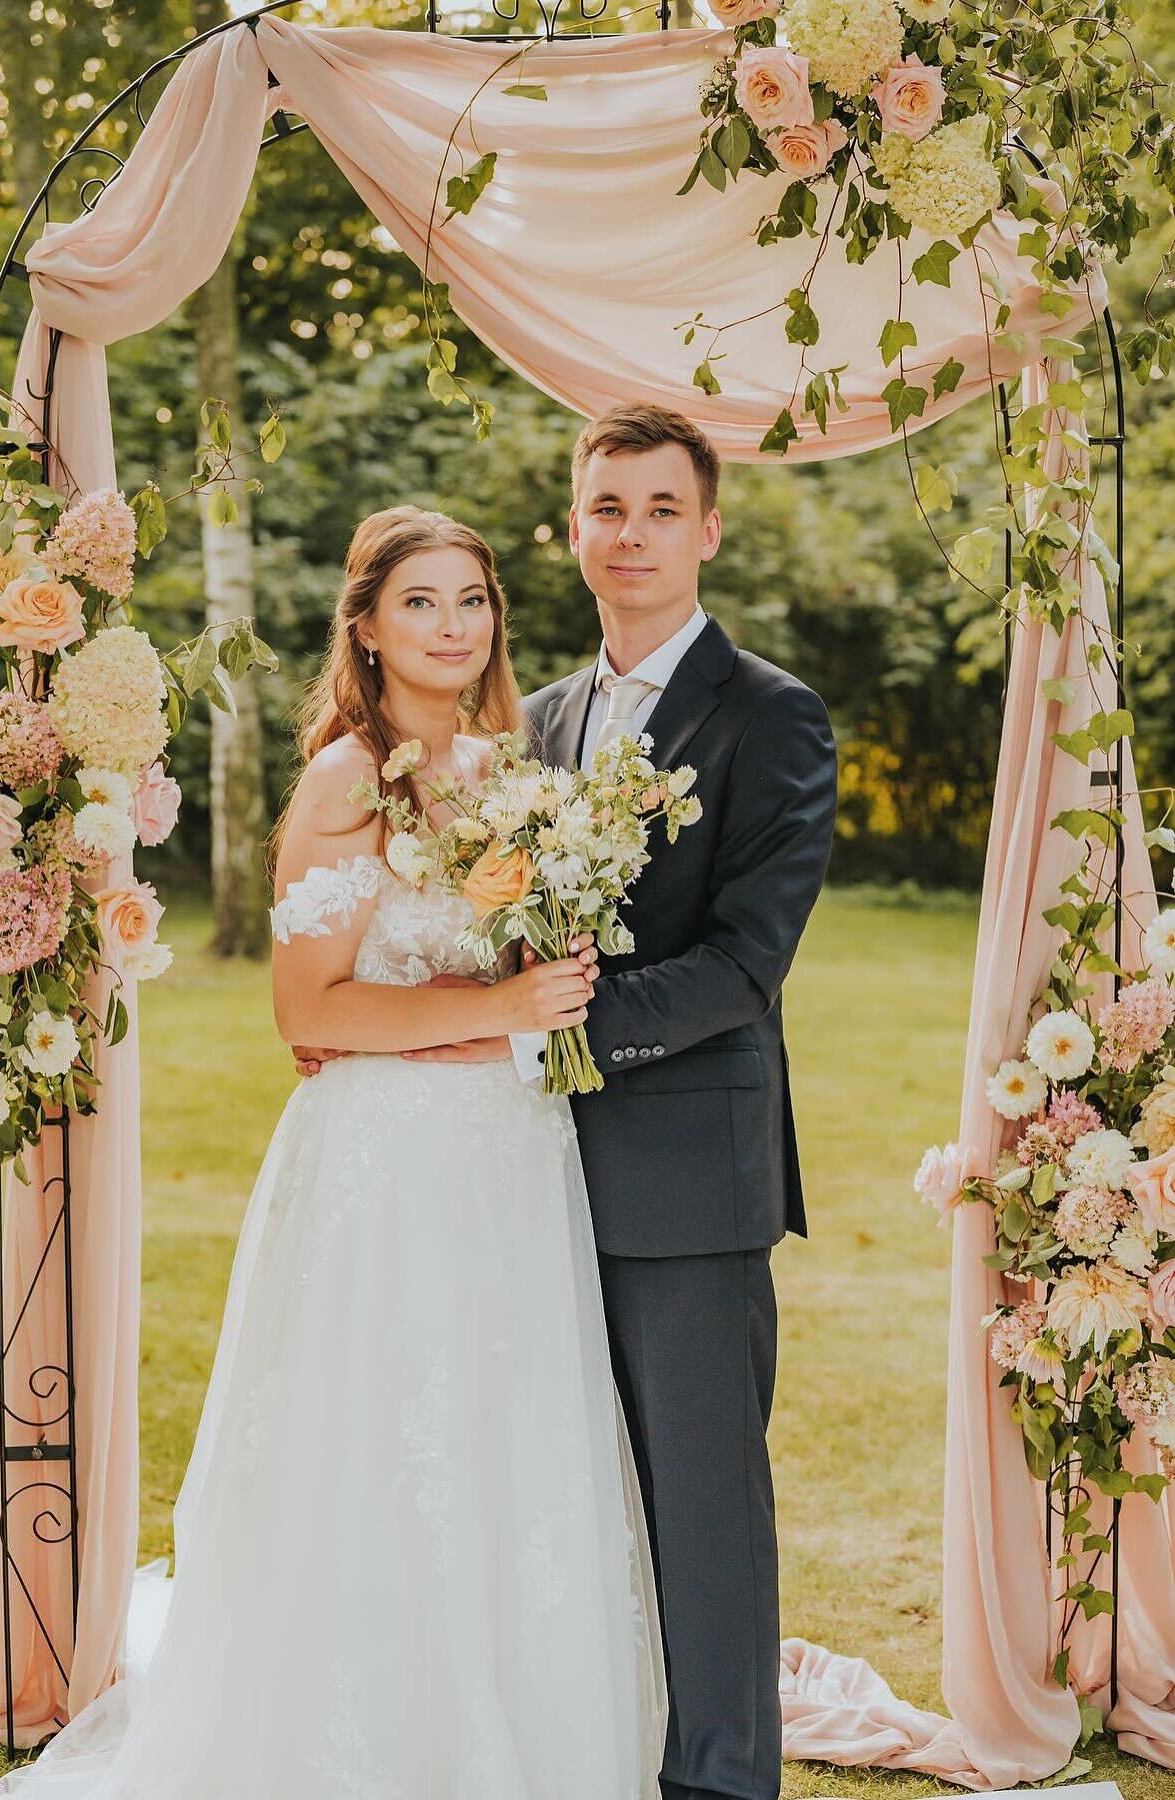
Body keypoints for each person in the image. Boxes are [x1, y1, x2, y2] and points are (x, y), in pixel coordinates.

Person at [0, 503, 667, 1800]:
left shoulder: (515, 767)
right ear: (368, 626)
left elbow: (512, 969)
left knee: (508, 1439)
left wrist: (530, 988)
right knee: (382, 1447)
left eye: (472, 600)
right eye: (421, 603)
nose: (452, 627)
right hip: (390, 1172)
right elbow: (311, 1011)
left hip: (514, 1157)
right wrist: (500, 1014)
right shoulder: (348, 775)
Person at [401, 403, 840, 1800]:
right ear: (570, 528)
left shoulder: (772, 717)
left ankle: (720, 1781)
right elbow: (497, 925)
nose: (631, 534)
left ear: (707, 529)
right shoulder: (528, 724)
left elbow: (746, 962)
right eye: (607, 506)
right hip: (522, 1173)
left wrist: (561, 1037)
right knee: (560, 1489)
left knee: (705, 1508)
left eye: (661, 508)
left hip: (686, 1179)